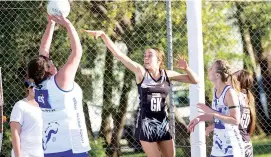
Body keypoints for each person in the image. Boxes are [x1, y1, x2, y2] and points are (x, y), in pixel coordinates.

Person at [83, 30, 199, 157]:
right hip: (147, 127)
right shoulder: (141, 73)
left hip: (163, 126)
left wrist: (186, 68)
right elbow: (119, 55)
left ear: (159, 60)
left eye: (150, 55)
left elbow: (194, 80)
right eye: (145, 55)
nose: (146, 57)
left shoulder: (167, 74)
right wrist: (104, 36)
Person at [27, 15, 90, 157]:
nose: (52, 62)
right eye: (50, 63)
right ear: (48, 69)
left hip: (49, 149)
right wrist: (68, 25)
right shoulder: (61, 81)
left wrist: (51, 23)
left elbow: (43, 49)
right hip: (73, 146)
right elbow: (77, 52)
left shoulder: (36, 86)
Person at [188, 59, 245, 157]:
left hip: (231, 147)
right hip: (218, 146)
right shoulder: (215, 91)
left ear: (217, 75)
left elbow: (235, 120)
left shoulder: (229, 92)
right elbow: (218, 115)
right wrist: (200, 118)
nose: (208, 70)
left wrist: (212, 112)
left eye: (211, 68)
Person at [206, 69, 256, 157]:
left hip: (238, 143)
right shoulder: (246, 97)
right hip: (246, 142)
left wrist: (210, 126)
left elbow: (229, 119)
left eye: (233, 75)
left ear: (237, 81)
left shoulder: (235, 96)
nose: (229, 77)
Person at [10, 80, 43, 157]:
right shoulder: (20, 105)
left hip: (39, 153)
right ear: (28, 88)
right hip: (24, 153)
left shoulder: (44, 107)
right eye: (31, 86)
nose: (34, 88)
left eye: (37, 86)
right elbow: (15, 133)